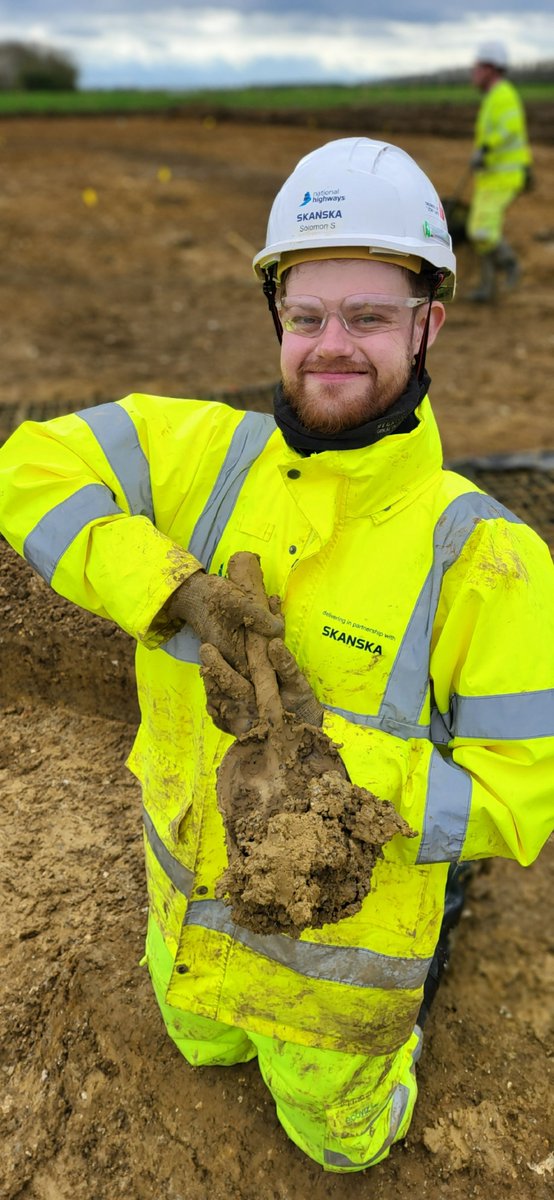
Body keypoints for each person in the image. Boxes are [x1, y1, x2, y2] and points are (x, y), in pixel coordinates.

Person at [0, 136, 553, 1174]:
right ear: (277, 319)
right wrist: (168, 587)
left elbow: (521, 799)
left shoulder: (485, 559)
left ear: (427, 322)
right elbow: (26, 465)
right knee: (197, 1039)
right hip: (185, 924)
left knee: (333, 1137)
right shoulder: (202, 457)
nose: (328, 346)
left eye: (368, 317)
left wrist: (335, 778)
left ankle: (375, 1093)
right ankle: (209, 1014)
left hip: (332, 980)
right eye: (305, 317)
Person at [466, 39, 533, 302]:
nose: (473, 73)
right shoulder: (494, 96)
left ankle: (510, 265)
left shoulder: (503, 94)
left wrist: (485, 149)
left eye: (478, 67)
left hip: (504, 177)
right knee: (478, 230)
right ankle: (487, 287)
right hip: (491, 178)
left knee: (483, 231)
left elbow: (509, 129)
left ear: (491, 69)